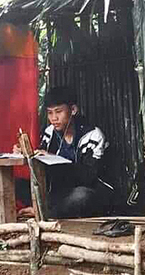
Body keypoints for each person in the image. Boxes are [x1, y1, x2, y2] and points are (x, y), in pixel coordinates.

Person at [14, 86, 115, 218]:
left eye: (58, 112)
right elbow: (43, 169)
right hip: (59, 193)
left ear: (73, 110)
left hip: (88, 191)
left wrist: (56, 159)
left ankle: (46, 212)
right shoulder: (50, 132)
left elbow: (88, 177)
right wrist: (28, 155)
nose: (53, 118)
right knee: (15, 184)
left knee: (81, 196)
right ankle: (49, 208)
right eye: (50, 113)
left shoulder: (93, 136)